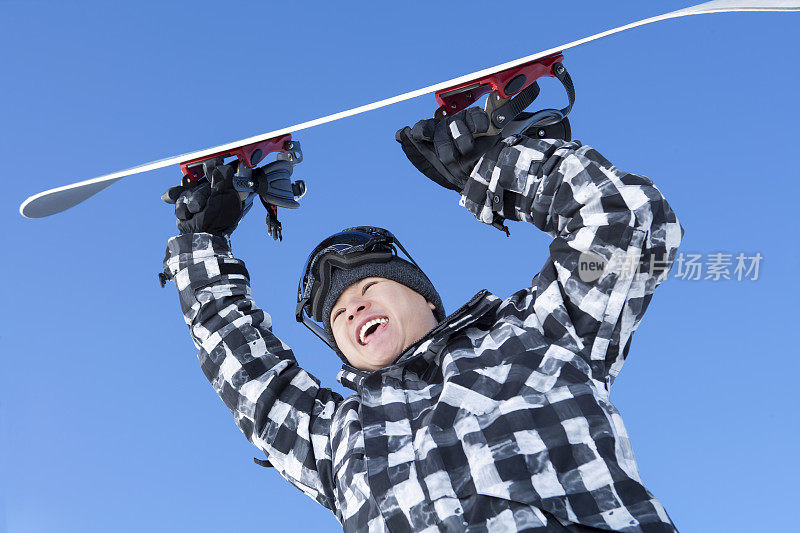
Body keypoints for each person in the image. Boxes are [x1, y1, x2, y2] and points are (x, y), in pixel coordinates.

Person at [161, 106, 682, 532]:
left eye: (367, 289)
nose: (353, 309)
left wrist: (495, 165)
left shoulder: (538, 337)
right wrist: (202, 247)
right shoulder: (342, 440)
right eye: (338, 314)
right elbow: (251, 380)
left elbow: (625, 231)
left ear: (427, 299)